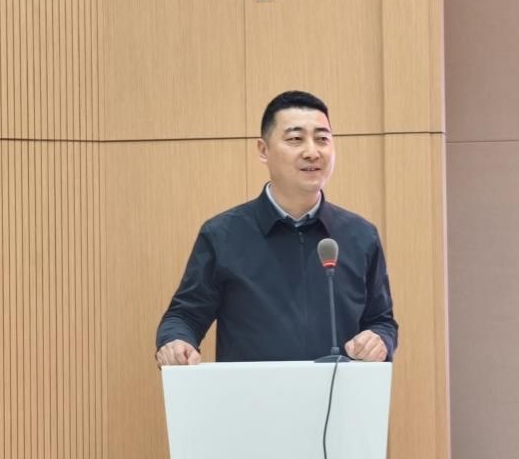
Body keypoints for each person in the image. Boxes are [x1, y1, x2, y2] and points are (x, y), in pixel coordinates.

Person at [155, 90, 398, 366]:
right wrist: (176, 342)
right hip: (252, 392)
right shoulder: (223, 235)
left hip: (340, 392)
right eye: (295, 139)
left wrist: (379, 340)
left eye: (322, 139)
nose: (312, 152)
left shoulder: (360, 236)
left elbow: (381, 321)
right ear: (264, 150)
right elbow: (185, 316)